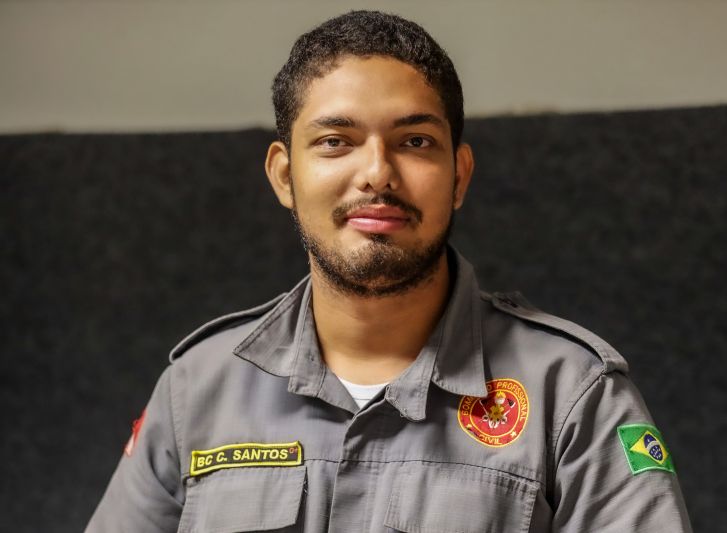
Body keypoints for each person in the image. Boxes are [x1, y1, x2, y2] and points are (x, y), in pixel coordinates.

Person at [87, 10, 692, 532]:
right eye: (334, 141)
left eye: (415, 142)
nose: (377, 173)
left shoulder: (574, 394)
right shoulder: (197, 390)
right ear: (282, 176)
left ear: (459, 176)